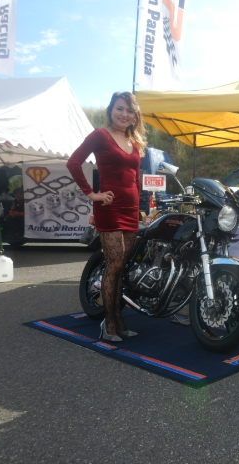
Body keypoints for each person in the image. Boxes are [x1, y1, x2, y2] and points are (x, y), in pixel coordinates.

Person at [67, 92, 146, 342]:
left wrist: (140, 208)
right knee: (114, 264)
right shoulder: (100, 135)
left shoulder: (135, 141)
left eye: (130, 110)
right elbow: (73, 162)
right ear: (111, 110)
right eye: (120, 108)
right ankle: (109, 323)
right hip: (109, 208)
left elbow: (135, 178)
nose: (124, 114)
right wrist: (92, 194)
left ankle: (119, 320)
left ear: (135, 116)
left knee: (123, 267)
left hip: (130, 210)